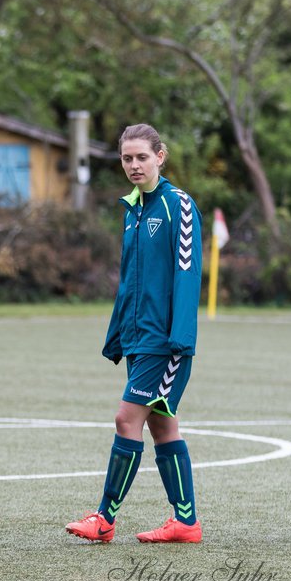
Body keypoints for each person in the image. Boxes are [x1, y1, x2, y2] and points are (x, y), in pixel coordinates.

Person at [65, 124, 204, 544]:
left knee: (127, 418)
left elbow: (186, 271)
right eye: (127, 158)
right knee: (163, 427)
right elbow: (129, 281)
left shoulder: (177, 204)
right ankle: (186, 522)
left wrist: (179, 337)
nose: (134, 165)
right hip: (138, 338)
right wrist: (117, 334)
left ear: (160, 156)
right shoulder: (133, 209)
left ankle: (104, 519)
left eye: (142, 156)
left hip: (164, 340)